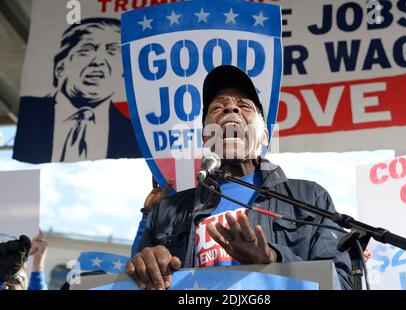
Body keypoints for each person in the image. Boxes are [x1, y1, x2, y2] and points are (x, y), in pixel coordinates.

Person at [126, 65, 354, 290]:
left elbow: (342, 283)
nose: (230, 109)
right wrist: (146, 265)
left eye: (244, 106)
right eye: (217, 108)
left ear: (264, 136)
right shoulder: (168, 210)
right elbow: (137, 283)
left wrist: (274, 260)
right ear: (206, 136)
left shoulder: (311, 197)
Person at [13, 18, 140, 164]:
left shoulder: (132, 132)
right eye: (86, 49)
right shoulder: (32, 114)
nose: (99, 61)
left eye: (112, 50)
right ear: (60, 67)